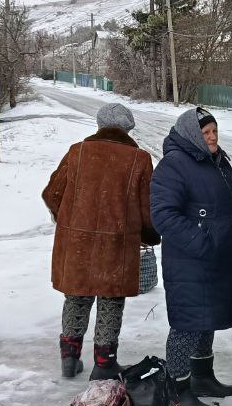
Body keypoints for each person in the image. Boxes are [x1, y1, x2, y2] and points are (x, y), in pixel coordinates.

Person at [150, 108, 232, 406]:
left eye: (214, 132)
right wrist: (202, 241)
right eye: (205, 133)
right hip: (190, 261)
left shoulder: (218, 161)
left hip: (218, 258)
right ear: (191, 136)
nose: (211, 137)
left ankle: (202, 376)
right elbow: (163, 216)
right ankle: (178, 388)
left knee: (207, 318)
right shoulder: (174, 165)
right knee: (187, 324)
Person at [42, 102, 160, 381]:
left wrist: (69, 221)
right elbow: (148, 207)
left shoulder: (77, 152)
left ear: (99, 125)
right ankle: (104, 362)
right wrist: (149, 235)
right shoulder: (139, 158)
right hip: (117, 245)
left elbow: (51, 193)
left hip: (77, 243)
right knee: (110, 300)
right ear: (127, 129)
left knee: (77, 295)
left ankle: (69, 358)